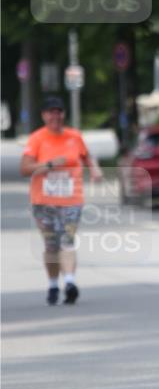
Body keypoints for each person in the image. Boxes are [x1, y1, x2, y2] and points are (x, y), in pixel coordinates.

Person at [20, 96, 102, 305]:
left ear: (64, 114)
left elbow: (86, 155)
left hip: (71, 199)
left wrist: (94, 170)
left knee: (67, 241)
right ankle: (53, 285)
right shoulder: (36, 139)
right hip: (44, 201)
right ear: (43, 116)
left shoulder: (75, 137)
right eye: (50, 112)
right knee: (51, 245)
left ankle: (70, 282)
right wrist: (48, 165)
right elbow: (24, 169)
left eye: (59, 111)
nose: (55, 116)